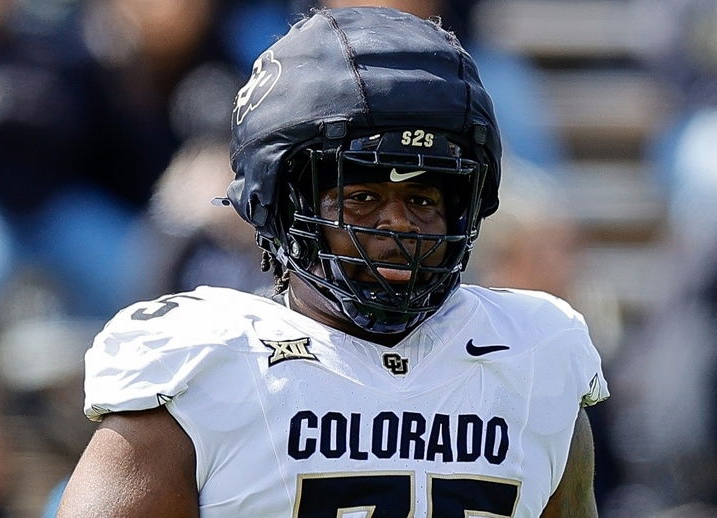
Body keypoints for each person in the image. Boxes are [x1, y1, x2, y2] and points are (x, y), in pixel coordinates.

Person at [57, 7, 608, 517]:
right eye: (361, 197)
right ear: (280, 201)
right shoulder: (200, 369)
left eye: (423, 199)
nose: (399, 225)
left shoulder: (535, 359)